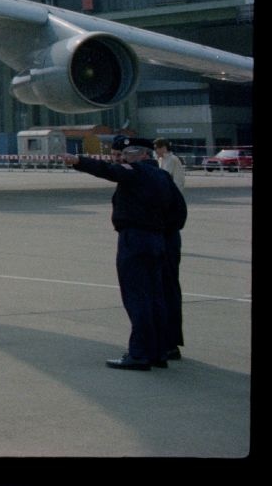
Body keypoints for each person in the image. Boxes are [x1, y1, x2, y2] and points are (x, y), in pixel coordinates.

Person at [65, 144, 179, 370]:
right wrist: (162, 233)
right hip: (158, 240)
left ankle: (139, 354)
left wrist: (78, 161)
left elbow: (108, 171)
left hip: (135, 239)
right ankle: (159, 352)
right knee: (156, 297)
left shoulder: (135, 172)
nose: (123, 158)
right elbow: (178, 210)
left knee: (137, 298)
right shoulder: (163, 176)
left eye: (128, 154)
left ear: (144, 155)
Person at [153, 139, 188, 363]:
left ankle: (169, 343)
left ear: (165, 147)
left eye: (159, 147)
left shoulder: (173, 161)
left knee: (165, 289)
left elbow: (179, 183)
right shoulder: (159, 161)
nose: (157, 150)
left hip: (166, 229)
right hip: (164, 230)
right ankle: (166, 342)